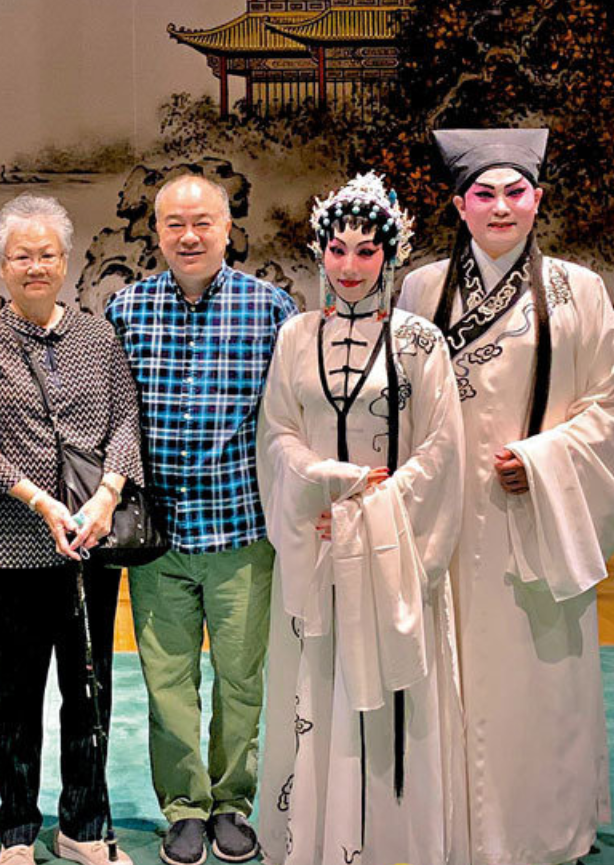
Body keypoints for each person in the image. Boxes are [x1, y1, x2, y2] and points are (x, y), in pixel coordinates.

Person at [398, 128, 614, 865]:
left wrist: (542, 458)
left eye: (514, 192)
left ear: (537, 200)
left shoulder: (579, 290)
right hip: (444, 521)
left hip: (535, 514)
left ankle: (542, 832)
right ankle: (448, 832)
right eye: (483, 193)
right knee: (444, 669)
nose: (499, 207)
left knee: (538, 678)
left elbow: (607, 405)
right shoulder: (422, 288)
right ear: (458, 205)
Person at [256, 172, 468, 865]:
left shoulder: (420, 342)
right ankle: (322, 837)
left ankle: (393, 842)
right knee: (319, 687)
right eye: (337, 249)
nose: (350, 266)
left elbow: (441, 450)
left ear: (391, 254)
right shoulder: (295, 336)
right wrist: (322, 488)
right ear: (320, 252)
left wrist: (368, 513)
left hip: (391, 552)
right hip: (320, 549)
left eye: (366, 251)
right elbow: (278, 433)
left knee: (393, 695)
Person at [0, 194, 143, 865]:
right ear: (2, 266)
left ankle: (82, 825)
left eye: (47, 254)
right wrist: (41, 503)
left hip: (90, 542)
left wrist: (107, 496)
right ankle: (17, 831)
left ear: (65, 261)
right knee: (17, 696)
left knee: (89, 691)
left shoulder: (98, 336)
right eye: (21, 255)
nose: (35, 266)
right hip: (11, 545)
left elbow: (125, 421)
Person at [105, 174, 297, 865]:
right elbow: (113, 417)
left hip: (242, 530)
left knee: (242, 680)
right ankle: (184, 806)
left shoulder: (271, 309)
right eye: (174, 224)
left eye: (203, 222)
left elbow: (291, 418)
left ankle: (232, 801)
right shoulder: (126, 309)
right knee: (168, 685)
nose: (189, 236)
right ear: (155, 231)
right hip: (156, 538)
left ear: (227, 228)